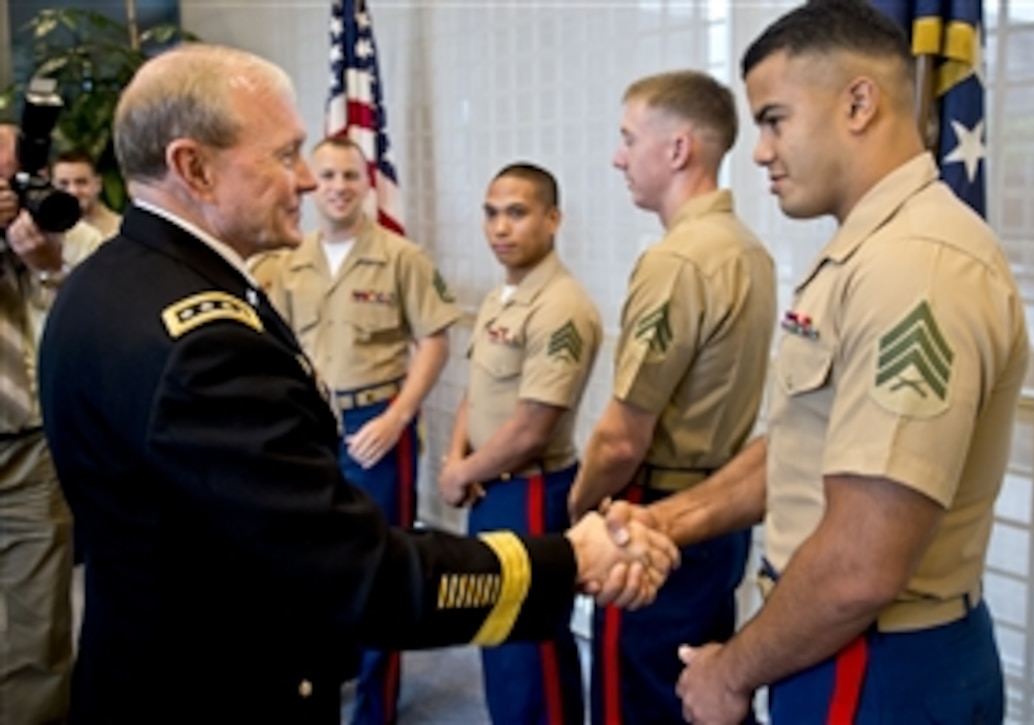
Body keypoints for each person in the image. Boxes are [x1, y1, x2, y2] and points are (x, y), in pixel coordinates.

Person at [36, 43, 678, 725]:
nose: (309, 181)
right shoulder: (206, 343)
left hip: (139, 663)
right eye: (285, 156)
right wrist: (568, 560)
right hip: (219, 690)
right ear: (193, 167)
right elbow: (355, 573)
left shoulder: (99, 285)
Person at [606, 2, 1029, 723]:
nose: (761, 150)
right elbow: (810, 448)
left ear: (858, 103)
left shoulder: (913, 267)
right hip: (837, 646)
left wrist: (729, 671)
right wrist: (668, 522)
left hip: (882, 665)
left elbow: (863, 561)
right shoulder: (868, 250)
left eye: (774, 119)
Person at [567, 71, 777, 724]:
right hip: (723, 507)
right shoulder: (750, 250)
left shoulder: (677, 262)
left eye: (629, 138)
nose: (617, 156)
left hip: (657, 511)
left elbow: (622, 436)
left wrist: (575, 512)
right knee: (697, 688)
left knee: (636, 697)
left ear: (679, 149)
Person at [250, 136, 459, 725]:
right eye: (328, 175)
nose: (338, 186)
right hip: (309, 425)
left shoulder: (400, 257)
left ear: (367, 182)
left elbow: (436, 342)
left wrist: (398, 417)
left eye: (350, 174)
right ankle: (319, 686)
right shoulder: (287, 263)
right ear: (312, 182)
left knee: (379, 572)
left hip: (376, 427)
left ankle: (376, 709)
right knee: (307, 562)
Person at [439, 162, 603, 724]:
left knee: (530, 641)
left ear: (553, 219)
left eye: (517, 212)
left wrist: (463, 474)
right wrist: (455, 456)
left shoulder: (562, 306)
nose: (499, 227)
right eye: (491, 212)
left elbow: (534, 426)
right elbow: (479, 390)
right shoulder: (499, 298)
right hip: (491, 487)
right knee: (497, 629)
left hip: (530, 491)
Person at [0, 123, 104, 725]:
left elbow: (102, 310)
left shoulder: (57, 228)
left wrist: (46, 266)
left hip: (28, 450)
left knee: (39, 638)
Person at [50, 149, 122, 238]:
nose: (73, 191)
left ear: (98, 184)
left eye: (81, 182)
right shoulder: (47, 234)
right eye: (63, 184)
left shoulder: (120, 230)